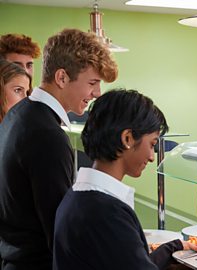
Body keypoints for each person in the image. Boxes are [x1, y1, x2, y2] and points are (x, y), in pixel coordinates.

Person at [53, 89, 197, 270]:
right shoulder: (106, 212)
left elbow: (127, 262)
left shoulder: (78, 197)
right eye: (152, 144)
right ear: (127, 139)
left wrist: (174, 247)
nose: (152, 156)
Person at [0, 28, 118, 270]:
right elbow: (60, 231)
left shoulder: (19, 114)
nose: (97, 93)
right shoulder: (48, 135)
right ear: (62, 77)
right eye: (93, 83)